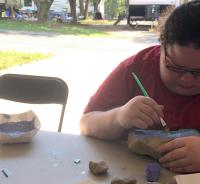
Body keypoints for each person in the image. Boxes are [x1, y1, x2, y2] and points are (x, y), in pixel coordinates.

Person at [80, 1, 200, 173]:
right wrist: (118, 117)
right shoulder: (136, 69)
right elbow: (86, 124)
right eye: (175, 67)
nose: (187, 79)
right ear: (161, 47)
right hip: (130, 177)